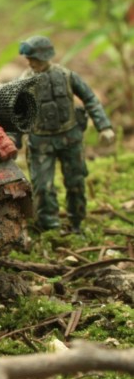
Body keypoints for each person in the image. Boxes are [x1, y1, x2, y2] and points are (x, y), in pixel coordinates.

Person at [18, 35, 115, 233]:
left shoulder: (67, 76)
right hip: (40, 140)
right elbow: (16, 113)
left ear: (45, 56)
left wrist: (104, 126)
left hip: (70, 137)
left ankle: (76, 223)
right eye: (28, 59)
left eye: (34, 58)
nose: (30, 63)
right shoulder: (23, 82)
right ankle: (49, 227)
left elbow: (90, 99)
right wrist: (12, 140)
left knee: (75, 182)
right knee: (42, 186)